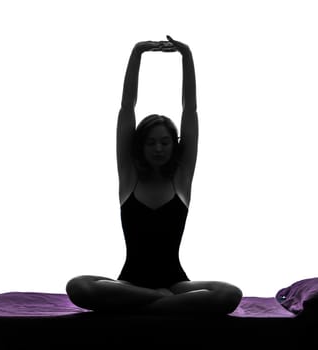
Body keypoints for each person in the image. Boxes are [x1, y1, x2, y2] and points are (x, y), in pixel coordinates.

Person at [66, 35, 243, 315]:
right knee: (78, 286)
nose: (158, 148)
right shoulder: (129, 176)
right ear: (140, 145)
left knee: (230, 294)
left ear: (175, 145)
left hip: (175, 284)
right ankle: (158, 301)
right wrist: (137, 53)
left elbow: (191, 110)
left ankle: (148, 303)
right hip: (129, 282)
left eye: (164, 142)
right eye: (150, 142)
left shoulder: (181, 180)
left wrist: (187, 57)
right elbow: (126, 108)